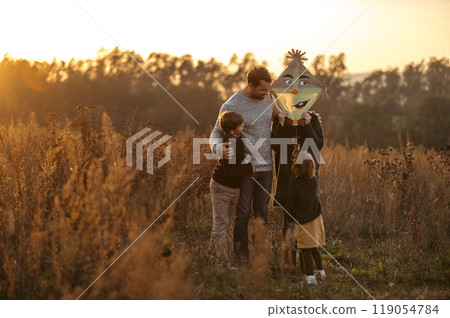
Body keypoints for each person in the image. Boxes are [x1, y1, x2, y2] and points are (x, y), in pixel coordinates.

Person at [209, 66, 282, 263]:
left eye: (268, 89)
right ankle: (242, 259)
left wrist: (309, 118)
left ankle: (259, 260)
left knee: (262, 215)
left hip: (267, 169)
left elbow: (281, 114)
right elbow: (216, 133)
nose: (267, 93)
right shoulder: (232, 104)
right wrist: (218, 149)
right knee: (242, 215)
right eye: (263, 90)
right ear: (250, 85)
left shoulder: (268, 97)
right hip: (247, 170)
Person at [272, 109, 323, 271]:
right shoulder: (280, 118)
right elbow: (275, 146)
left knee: (306, 217)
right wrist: (280, 124)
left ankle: (305, 263)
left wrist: (308, 125)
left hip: (307, 177)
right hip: (287, 175)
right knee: (288, 218)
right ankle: (289, 263)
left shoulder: (313, 118)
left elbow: (317, 146)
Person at [209, 111, 255, 267]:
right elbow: (232, 171)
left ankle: (211, 257)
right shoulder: (229, 144)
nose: (244, 125)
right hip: (222, 187)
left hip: (234, 189)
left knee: (224, 223)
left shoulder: (237, 139)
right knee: (221, 225)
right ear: (231, 131)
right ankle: (222, 262)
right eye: (240, 124)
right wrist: (250, 169)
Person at [286, 152, 326, 285]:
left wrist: (289, 216)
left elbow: (290, 202)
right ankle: (321, 272)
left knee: (305, 249)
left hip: (304, 222)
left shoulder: (295, 183)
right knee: (314, 247)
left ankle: (310, 278)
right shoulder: (314, 179)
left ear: (297, 167)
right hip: (316, 218)